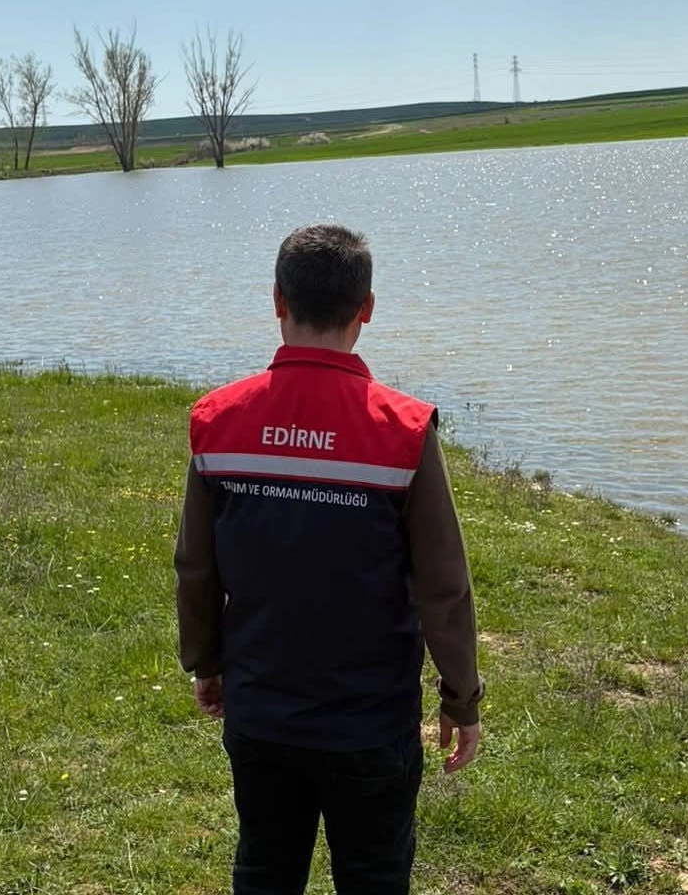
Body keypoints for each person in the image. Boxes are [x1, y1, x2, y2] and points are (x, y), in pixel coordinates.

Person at [174, 223, 484, 895]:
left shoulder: (216, 420)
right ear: (366, 308)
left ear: (277, 301)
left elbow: (196, 566)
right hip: (370, 725)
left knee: (265, 870)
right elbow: (444, 587)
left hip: (261, 715)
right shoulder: (403, 431)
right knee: (374, 879)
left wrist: (206, 662)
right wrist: (461, 698)